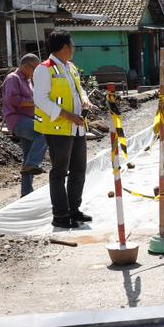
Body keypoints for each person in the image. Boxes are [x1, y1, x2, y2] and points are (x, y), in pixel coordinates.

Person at [34, 31, 95, 229]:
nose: (74, 48)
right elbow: (41, 99)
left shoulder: (70, 67)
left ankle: (73, 209)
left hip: (77, 127)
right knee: (59, 171)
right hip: (58, 128)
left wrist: (85, 99)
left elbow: (79, 89)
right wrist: (68, 115)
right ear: (65, 47)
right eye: (72, 45)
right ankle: (60, 215)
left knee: (79, 169)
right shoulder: (44, 69)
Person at [3, 53, 48, 197]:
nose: (37, 72)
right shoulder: (13, 79)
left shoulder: (28, 81)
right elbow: (14, 101)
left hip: (28, 119)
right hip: (17, 120)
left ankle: (26, 192)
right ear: (26, 66)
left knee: (28, 156)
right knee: (43, 132)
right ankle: (33, 164)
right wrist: (36, 101)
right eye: (35, 68)